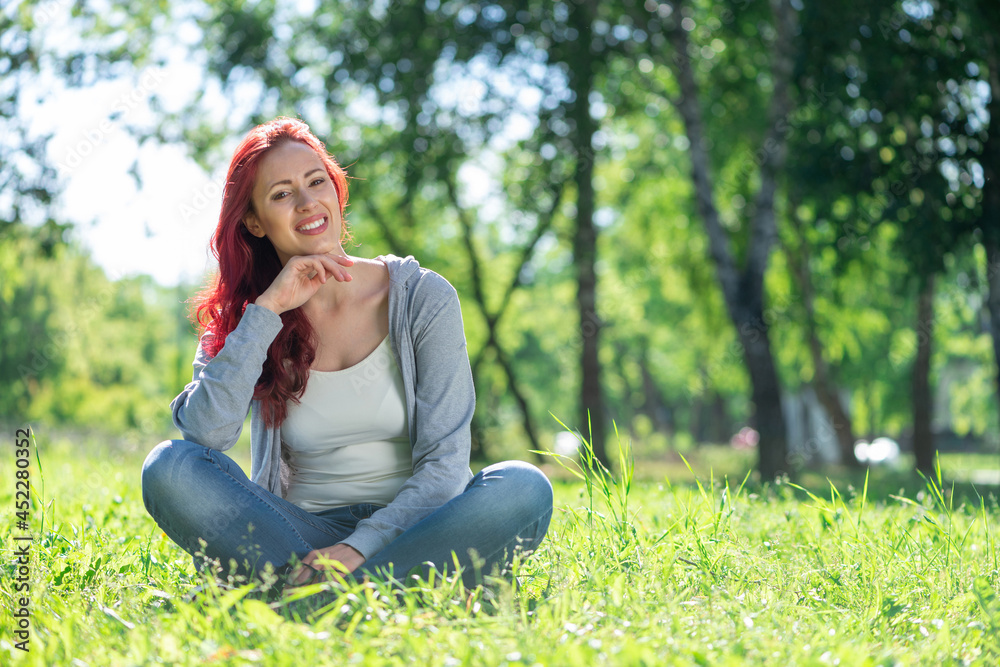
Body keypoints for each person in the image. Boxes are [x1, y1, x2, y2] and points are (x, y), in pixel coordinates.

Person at [141, 117, 553, 600]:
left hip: (417, 532)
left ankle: (307, 602)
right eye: (280, 194)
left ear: (337, 192)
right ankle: (384, 597)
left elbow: (445, 466)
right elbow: (207, 436)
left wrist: (360, 547)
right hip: (296, 539)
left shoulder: (421, 298)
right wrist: (268, 311)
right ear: (253, 221)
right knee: (169, 467)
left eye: (317, 182)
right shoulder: (245, 317)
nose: (306, 202)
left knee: (523, 487)